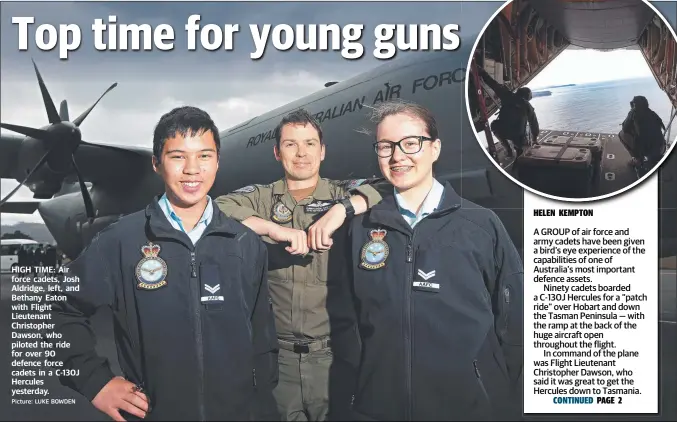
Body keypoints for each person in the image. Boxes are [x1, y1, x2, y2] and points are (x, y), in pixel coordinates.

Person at [49, 106, 279, 421]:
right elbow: (57, 306)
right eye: (177, 156)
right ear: (156, 163)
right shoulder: (121, 241)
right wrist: (94, 381)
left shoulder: (246, 243)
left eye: (204, 156)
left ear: (217, 162)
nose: (192, 169)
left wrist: (264, 407)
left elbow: (263, 341)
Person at [338, 100, 524, 420]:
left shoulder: (480, 225)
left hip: (470, 409)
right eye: (385, 146)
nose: (398, 156)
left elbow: (516, 327)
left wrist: (512, 406)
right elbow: (348, 323)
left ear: (435, 148)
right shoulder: (360, 230)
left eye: (411, 143)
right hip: (381, 409)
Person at [215, 108, 384, 421]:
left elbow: (387, 189)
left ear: (322, 151)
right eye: (291, 144)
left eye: (309, 144)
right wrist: (272, 228)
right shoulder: (262, 199)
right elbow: (219, 207)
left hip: (335, 360)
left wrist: (340, 212)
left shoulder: (341, 193)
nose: (301, 153)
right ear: (278, 153)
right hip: (279, 363)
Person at [478, 66, 539, 158]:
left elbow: (493, 84)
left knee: (494, 125)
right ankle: (518, 149)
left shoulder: (506, 95)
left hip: (503, 131)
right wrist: (534, 139)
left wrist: (482, 73)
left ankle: (508, 149)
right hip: (518, 136)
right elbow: (533, 123)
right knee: (522, 138)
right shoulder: (527, 106)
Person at [622, 95, 666, 169]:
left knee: (622, 134)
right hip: (661, 148)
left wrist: (631, 112)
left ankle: (638, 160)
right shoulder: (653, 113)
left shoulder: (634, 113)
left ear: (635, 105)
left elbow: (624, 128)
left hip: (646, 152)